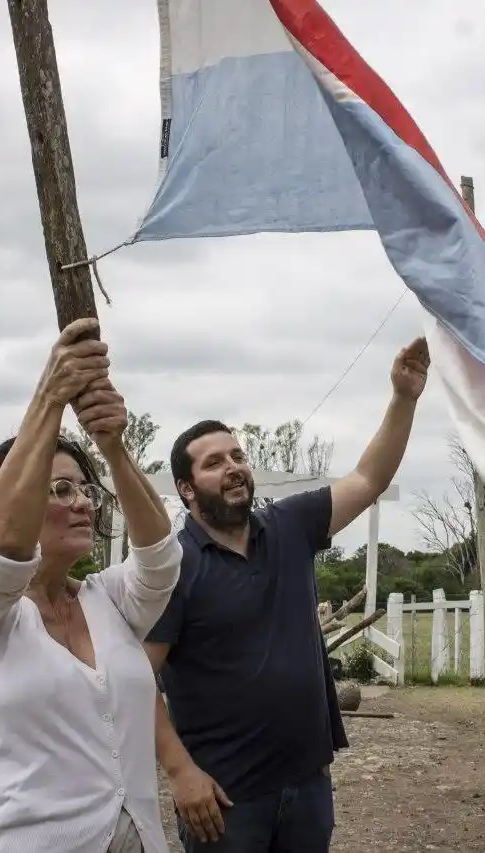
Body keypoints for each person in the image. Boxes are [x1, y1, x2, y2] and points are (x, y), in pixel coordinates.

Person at [144, 337, 431, 853]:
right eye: (214, 463)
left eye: (238, 455)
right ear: (186, 489)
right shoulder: (172, 567)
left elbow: (369, 478)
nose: (233, 466)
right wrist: (180, 773)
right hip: (225, 803)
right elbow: (135, 680)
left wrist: (404, 397)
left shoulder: (290, 525)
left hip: (308, 785)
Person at [0, 318, 183, 853]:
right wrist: (51, 396)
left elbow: (161, 559)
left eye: (84, 489)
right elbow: (5, 548)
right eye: (59, 488)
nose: (81, 502)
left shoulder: (108, 598)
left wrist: (114, 449)